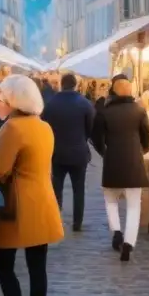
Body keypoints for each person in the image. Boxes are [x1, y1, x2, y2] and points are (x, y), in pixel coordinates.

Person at [0, 75, 64, 296]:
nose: (0, 102)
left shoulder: (13, 128)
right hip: (42, 201)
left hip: (16, 205)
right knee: (37, 267)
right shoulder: (43, 127)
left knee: (4, 264)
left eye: (3, 97)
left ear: (12, 100)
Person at [90, 76, 149, 262]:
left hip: (112, 161)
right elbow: (147, 137)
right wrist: (141, 150)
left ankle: (116, 231)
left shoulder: (104, 112)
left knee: (111, 200)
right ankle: (128, 243)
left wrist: (104, 152)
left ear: (114, 91)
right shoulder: (140, 110)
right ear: (130, 91)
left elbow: (96, 138)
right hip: (134, 162)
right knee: (134, 206)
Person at [41, 73, 95, 230]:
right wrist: (83, 138)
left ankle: (56, 219)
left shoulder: (51, 103)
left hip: (57, 152)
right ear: (75, 85)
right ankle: (77, 223)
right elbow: (90, 127)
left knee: (56, 187)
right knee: (79, 190)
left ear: (61, 84)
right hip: (78, 152)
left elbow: (45, 126)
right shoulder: (84, 103)